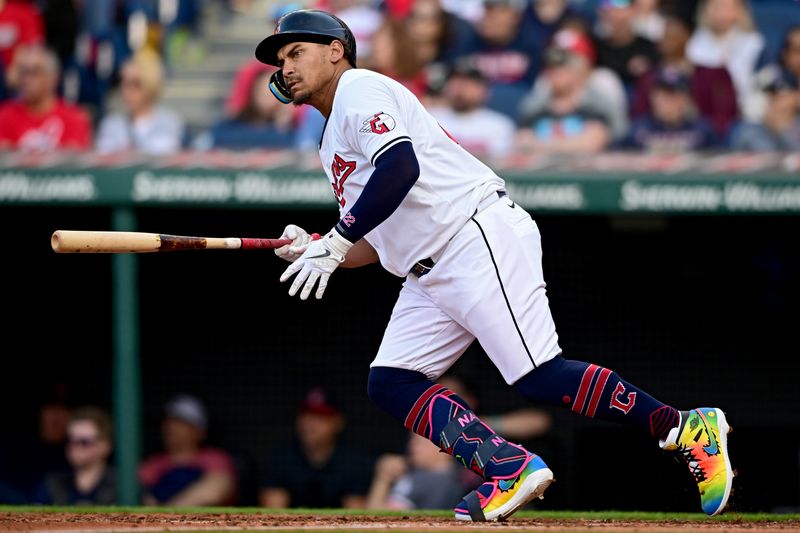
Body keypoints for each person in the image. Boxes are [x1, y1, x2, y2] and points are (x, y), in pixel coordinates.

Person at [255, 8, 734, 521]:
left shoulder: (358, 87)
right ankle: (507, 465)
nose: (286, 68)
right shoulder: (330, 142)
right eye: (281, 60)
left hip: (472, 235)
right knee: (391, 382)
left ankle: (681, 426)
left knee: (539, 376)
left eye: (296, 52)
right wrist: (321, 246)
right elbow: (376, 242)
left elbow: (401, 167)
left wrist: (339, 236)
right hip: (427, 269)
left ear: (336, 51)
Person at [630, 12, 738, 141]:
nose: (669, 39)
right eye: (665, 34)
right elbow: (637, 116)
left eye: (675, 34)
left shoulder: (714, 75)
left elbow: (726, 115)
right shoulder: (648, 78)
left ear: (688, 36)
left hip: (702, 138)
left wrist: (706, 132)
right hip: (655, 138)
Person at [259, 387, 374, 509]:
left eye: (320, 416)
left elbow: (355, 519)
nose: (310, 423)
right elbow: (274, 516)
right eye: (305, 415)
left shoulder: (354, 463)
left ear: (338, 421)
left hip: (337, 527)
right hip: (293, 527)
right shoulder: (280, 460)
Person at [514, 31, 619, 154]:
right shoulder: (535, 104)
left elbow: (593, 144)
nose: (555, 73)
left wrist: (540, 145)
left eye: (563, 66)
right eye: (551, 67)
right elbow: (522, 142)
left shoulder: (596, 102)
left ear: (581, 69)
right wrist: (573, 144)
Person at [138, 394, 237, 506]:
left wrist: (167, 513)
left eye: (182, 423)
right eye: (170, 422)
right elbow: (138, 494)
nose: (172, 428)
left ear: (200, 431)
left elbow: (215, 491)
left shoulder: (215, 458)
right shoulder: (153, 463)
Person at [0, 45, 92, 151]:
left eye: (35, 72)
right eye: (23, 72)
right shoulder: (4, 117)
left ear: (53, 78)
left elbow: (73, 160)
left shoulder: (74, 118)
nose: (26, 80)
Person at [685, 0, 764, 121]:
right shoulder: (695, 40)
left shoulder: (753, 42)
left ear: (739, 11)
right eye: (716, 6)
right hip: (701, 110)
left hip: (742, 109)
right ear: (705, 10)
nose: (721, 12)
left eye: (727, 7)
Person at [95, 49, 185, 155]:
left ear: (150, 85)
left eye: (136, 84)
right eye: (124, 82)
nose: (127, 90)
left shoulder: (171, 123)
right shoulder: (110, 126)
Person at [367, 432, 481, 510]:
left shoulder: (434, 481)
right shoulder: (447, 477)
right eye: (412, 440)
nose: (412, 446)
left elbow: (380, 519)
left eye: (421, 442)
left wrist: (382, 478)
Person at [426, 61, 516, 160]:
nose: (460, 89)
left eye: (468, 84)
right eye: (455, 83)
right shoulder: (430, 118)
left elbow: (500, 164)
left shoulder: (500, 124)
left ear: (484, 91)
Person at [33, 406, 117, 505]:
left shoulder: (122, 486)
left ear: (105, 446)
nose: (75, 446)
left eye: (84, 442)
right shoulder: (53, 484)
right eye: (71, 440)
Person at [625, 67, 717, 152]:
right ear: (652, 97)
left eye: (675, 95)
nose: (669, 101)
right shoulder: (638, 129)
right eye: (664, 95)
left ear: (687, 98)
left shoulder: (703, 131)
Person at [729, 70, 800, 152]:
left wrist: (783, 131)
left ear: (797, 95)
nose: (775, 100)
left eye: (781, 95)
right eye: (771, 95)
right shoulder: (750, 130)